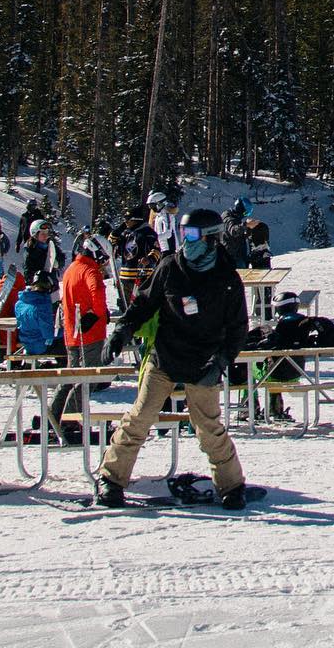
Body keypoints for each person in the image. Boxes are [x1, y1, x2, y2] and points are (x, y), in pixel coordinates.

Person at [96, 207, 249, 510]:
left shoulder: (227, 278)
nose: (184, 241)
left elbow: (238, 329)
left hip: (204, 361)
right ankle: (111, 479)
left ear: (210, 239)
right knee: (139, 419)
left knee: (209, 429)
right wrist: (123, 330)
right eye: (181, 233)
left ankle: (232, 485)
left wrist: (220, 362)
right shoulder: (170, 267)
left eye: (190, 235)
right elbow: (143, 304)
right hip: (165, 356)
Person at [245, 291, 334, 420]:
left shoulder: (276, 330)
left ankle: (249, 408)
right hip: (296, 372)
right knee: (276, 367)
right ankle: (275, 409)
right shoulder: (305, 325)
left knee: (248, 365)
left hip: (274, 374)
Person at [49, 233, 111, 442]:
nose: (103, 263)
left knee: (70, 376)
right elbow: (97, 295)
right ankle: (69, 418)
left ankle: (54, 414)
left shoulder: (71, 269)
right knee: (87, 378)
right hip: (90, 334)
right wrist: (96, 314)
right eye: (102, 257)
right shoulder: (90, 270)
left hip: (71, 333)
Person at [14, 272, 62, 357]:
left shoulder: (20, 303)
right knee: (67, 341)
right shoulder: (42, 306)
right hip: (40, 345)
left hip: (26, 343)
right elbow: (48, 333)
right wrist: (65, 330)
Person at [22, 218, 65, 287]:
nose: (46, 236)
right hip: (39, 286)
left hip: (52, 282)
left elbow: (61, 257)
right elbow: (28, 271)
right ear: (35, 234)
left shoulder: (50, 245)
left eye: (47, 233)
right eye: (42, 234)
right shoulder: (30, 249)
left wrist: (58, 263)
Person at [221, 198, 252, 270]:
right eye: (245, 213)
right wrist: (245, 225)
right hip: (232, 258)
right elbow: (233, 231)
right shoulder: (228, 218)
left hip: (238, 255)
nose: (245, 215)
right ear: (240, 209)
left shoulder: (234, 218)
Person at [147, 189, 179, 256]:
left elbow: (168, 234)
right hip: (162, 249)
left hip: (170, 249)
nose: (152, 209)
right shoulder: (158, 216)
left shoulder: (167, 215)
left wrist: (154, 238)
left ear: (159, 203)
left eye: (153, 206)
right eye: (150, 206)